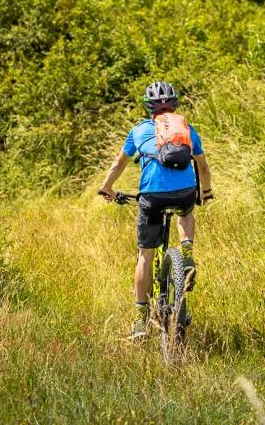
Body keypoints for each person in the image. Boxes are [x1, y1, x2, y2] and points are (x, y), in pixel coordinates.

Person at [98, 80, 213, 340]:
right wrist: (204, 192)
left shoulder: (139, 131)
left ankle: (141, 320)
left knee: (145, 255)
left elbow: (118, 164)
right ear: (175, 105)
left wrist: (107, 188)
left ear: (148, 107)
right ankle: (186, 255)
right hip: (185, 192)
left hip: (152, 196)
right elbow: (203, 168)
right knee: (186, 212)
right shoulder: (187, 129)